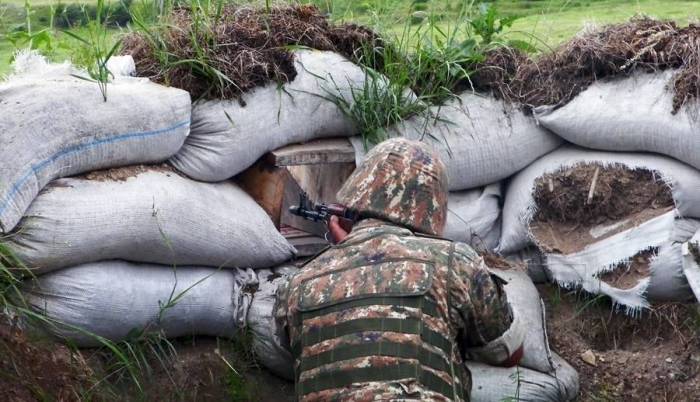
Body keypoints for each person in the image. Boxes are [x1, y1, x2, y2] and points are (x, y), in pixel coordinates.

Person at [271, 138, 525, 401]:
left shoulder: (297, 284)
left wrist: (345, 256)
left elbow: (295, 350)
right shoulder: (454, 263)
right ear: (432, 205)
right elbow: (510, 354)